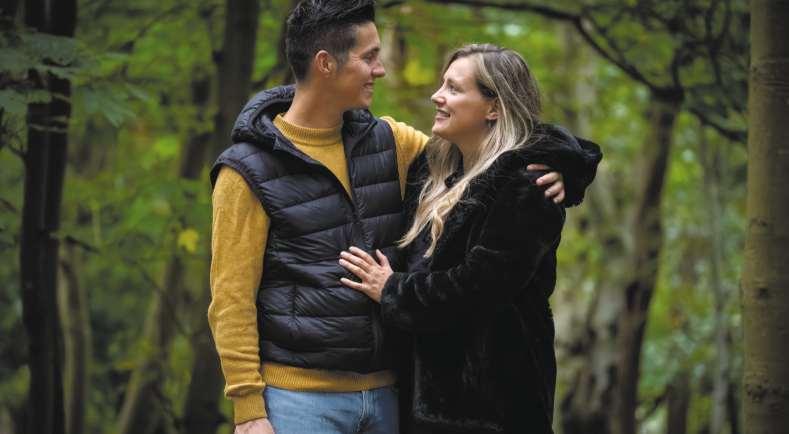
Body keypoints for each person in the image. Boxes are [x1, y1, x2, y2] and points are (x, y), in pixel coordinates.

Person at [209, 1, 575, 433]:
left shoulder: (391, 143)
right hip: (299, 401)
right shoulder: (247, 170)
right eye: (369, 57)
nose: (380, 69)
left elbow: (489, 150)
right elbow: (231, 298)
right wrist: (248, 409)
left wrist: (567, 166)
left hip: (389, 400)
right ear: (326, 63)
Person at [339, 44, 603, 434]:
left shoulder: (528, 186)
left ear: (493, 107)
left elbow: (479, 287)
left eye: (454, 88)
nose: (437, 96)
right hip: (420, 406)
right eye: (442, 84)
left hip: (495, 411)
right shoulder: (432, 172)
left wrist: (392, 289)